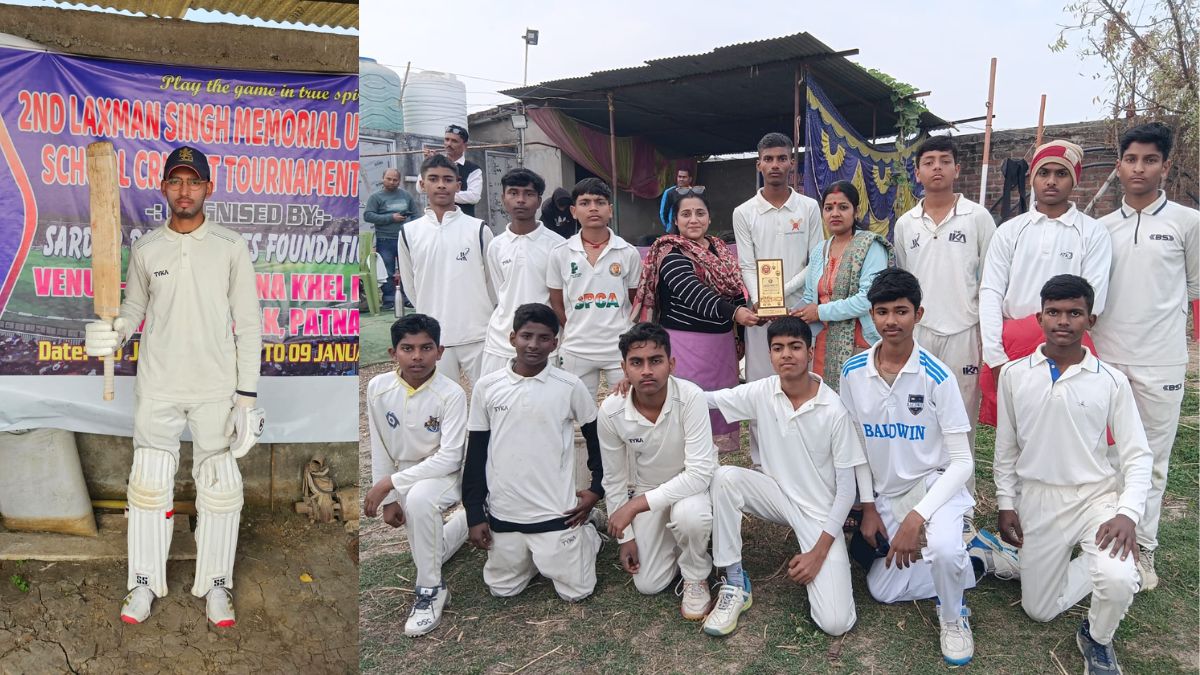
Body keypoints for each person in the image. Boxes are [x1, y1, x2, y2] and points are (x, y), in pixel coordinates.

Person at [84, 145, 264, 628]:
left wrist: (246, 397)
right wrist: (115, 331)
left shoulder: (230, 245)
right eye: (177, 181)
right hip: (158, 384)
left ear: (208, 188)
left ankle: (217, 586)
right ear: (164, 187)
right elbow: (134, 308)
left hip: (215, 387)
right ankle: (143, 583)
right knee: (148, 483)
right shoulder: (146, 248)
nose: (185, 190)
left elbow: (249, 324)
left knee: (220, 486)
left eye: (194, 181)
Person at [992, 275, 1151, 675]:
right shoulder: (1014, 374)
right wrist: (1006, 503)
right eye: (1054, 312)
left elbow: (1137, 454)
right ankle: (1048, 563)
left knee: (1116, 578)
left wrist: (1127, 513)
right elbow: (1006, 447)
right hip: (1038, 498)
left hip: (1095, 498)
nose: (1063, 321)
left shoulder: (1111, 381)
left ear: (1090, 321)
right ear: (1039, 318)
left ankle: (1097, 636)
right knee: (1039, 610)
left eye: (1075, 313)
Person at [839, 268, 977, 666]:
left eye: (901, 311)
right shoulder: (852, 372)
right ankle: (975, 562)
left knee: (944, 549)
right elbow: (855, 447)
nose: (891, 321)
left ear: (918, 314)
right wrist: (868, 506)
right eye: (882, 312)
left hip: (934, 485)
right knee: (882, 590)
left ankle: (953, 615)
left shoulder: (938, 376)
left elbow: (962, 462)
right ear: (871, 315)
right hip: (887, 494)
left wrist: (918, 518)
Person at [701, 316, 865, 639]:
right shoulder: (762, 391)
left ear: (810, 351)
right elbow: (709, 399)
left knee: (836, 623)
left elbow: (847, 492)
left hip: (818, 513)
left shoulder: (834, 409)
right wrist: (659, 384)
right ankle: (734, 581)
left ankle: (827, 561)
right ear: (770, 354)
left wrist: (818, 554)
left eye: (795, 347)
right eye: (778, 348)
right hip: (775, 494)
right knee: (725, 477)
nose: (786, 354)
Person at [1091, 123, 1198, 590]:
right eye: (1131, 159)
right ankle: (1102, 539)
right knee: (1106, 455)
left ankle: (1144, 548)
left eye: (1150, 160)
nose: (1139, 169)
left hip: (1162, 361)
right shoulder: (1100, 229)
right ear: (1119, 166)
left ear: (1165, 166)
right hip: (1107, 358)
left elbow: (1193, 288)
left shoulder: (1187, 223)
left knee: (1152, 458)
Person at [462, 303, 604, 601]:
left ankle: (588, 536)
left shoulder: (569, 385)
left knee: (576, 593)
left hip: (556, 513)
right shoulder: (487, 387)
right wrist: (475, 514)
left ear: (555, 343)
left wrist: (596, 489)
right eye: (526, 336)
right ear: (512, 338)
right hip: (505, 514)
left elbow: (596, 440)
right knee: (503, 589)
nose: (534, 345)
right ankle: (530, 558)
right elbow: (475, 455)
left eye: (543, 338)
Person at [978, 140, 1112, 426]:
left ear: (1074, 180)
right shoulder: (1010, 231)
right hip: (1012, 346)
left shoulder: (1092, 232)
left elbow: (1094, 298)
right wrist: (995, 355)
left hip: (1068, 344)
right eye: (1044, 173)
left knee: (1067, 427)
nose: (1051, 181)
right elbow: (990, 290)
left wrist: (1061, 333)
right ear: (1033, 178)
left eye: (1061, 173)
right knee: (1014, 431)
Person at [893, 136, 996, 502]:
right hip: (920, 333)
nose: (937, 167)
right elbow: (904, 281)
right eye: (929, 161)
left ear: (957, 169)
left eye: (944, 160)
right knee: (918, 414)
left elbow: (990, 279)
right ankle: (919, 496)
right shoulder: (906, 224)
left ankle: (961, 503)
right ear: (918, 172)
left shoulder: (977, 217)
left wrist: (986, 333)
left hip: (964, 331)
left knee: (960, 418)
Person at [598, 323, 717, 619]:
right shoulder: (611, 410)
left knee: (690, 517)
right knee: (649, 584)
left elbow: (699, 474)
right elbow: (613, 479)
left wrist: (632, 508)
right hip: (649, 488)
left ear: (671, 364)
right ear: (624, 369)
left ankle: (696, 575)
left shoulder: (690, 396)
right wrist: (625, 537)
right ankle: (688, 543)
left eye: (656, 360)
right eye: (636, 363)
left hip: (692, 489)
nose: (647, 371)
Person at [362, 314, 468, 637]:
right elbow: (380, 445)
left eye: (426, 348)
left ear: (440, 351)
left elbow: (450, 457)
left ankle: (431, 590)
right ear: (393, 353)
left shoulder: (451, 393)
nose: (417, 356)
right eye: (407, 348)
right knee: (429, 552)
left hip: (447, 473)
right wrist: (390, 500)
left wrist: (389, 484)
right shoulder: (378, 389)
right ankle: (468, 522)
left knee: (421, 500)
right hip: (406, 476)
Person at [631, 190, 759, 453]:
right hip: (686, 345)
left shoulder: (721, 251)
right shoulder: (669, 252)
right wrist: (736, 313)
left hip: (722, 346)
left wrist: (750, 309)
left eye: (700, 213)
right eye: (686, 214)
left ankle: (711, 467)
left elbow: (735, 290)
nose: (693, 219)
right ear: (676, 220)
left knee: (719, 404)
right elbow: (693, 293)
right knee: (689, 406)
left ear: (709, 218)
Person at [732, 133, 824, 465]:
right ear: (759, 164)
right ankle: (762, 462)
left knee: (802, 379)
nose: (775, 165)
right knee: (762, 383)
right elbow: (746, 263)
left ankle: (805, 458)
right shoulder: (744, 212)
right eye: (768, 159)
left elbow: (815, 260)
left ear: (791, 163)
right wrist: (762, 300)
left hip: (799, 310)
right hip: (761, 314)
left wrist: (779, 296)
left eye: (782, 158)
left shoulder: (809, 207)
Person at [395, 154, 495, 387]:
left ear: (458, 186)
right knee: (440, 401)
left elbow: (493, 283)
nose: (441, 185)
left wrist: (484, 317)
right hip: (434, 336)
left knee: (489, 397)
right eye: (434, 179)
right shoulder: (409, 232)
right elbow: (411, 285)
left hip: (478, 333)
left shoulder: (478, 229)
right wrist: (430, 316)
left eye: (448, 179)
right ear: (422, 184)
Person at [546, 177, 642, 401]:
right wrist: (575, 328)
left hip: (619, 347)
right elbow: (556, 302)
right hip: (576, 348)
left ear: (610, 210)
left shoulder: (627, 252)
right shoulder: (560, 253)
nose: (593, 208)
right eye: (585, 203)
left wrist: (629, 333)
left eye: (599, 202)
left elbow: (635, 300)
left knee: (624, 407)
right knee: (578, 410)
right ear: (573, 211)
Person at [794, 181, 893, 391]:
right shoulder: (820, 250)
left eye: (843, 207)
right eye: (829, 208)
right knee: (827, 403)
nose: (835, 213)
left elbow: (868, 299)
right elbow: (811, 296)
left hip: (860, 342)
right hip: (824, 343)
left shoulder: (871, 246)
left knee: (860, 402)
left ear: (856, 211)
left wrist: (820, 312)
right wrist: (787, 313)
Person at [480, 168, 565, 376]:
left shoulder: (558, 245)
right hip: (501, 339)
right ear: (503, 198)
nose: (520, 200)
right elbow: (498, 290)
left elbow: (562, 297)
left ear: (539, 201)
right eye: (513, 193)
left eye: (528, 194)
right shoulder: (496, 245)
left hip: (543, 340)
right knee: (496, 391)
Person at [362, 167, 417, 310]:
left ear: (399, 181)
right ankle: (389, 300)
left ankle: (408, 298)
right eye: (389, 179)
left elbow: (415, 214)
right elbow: (368, 216)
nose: (392, 182)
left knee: (407, 269)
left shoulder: (406, 196)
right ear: (383, 179)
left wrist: (413, 229)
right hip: (385, 239)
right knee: (387, 271)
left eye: (395, 180)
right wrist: (391, 217)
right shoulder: (376, 197)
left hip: (405, 239)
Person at [424, 123, 482, 217]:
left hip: (463, 220)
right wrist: (429, 163)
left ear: (465, 146)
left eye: (454, 141)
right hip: (435, 219)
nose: (449, 144)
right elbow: (420, 188)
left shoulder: (473, 169)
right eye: (447, 140)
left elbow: (474, 196)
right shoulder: (436, 164)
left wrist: (442, 195)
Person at [658, 167, 695, 232]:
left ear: (690, 179)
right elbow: (663, 213)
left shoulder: (695, 193)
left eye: (684, 177)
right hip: (674, 230)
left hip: (691, 229)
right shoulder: (669, 192)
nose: (681, 179)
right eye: (679, 177)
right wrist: (669, 227)